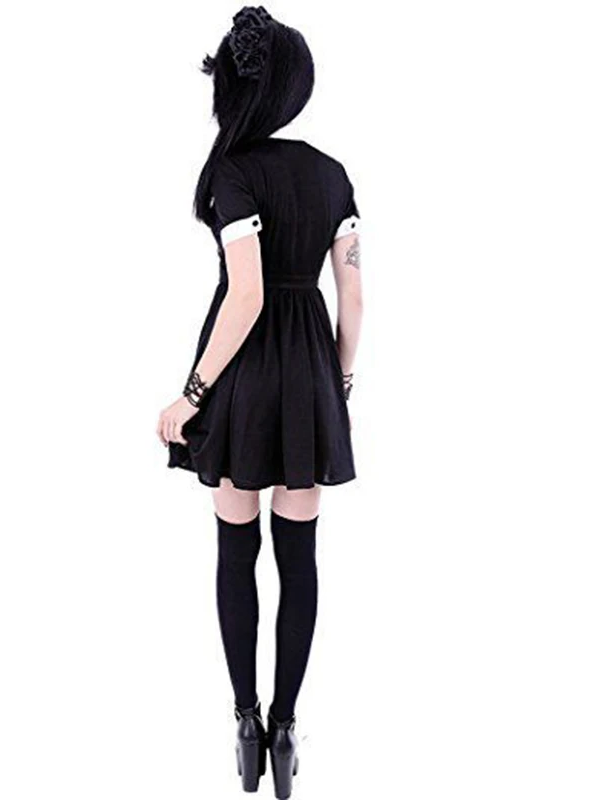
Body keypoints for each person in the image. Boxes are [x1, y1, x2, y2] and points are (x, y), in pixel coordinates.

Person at [156, 6, 362, 797]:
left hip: (242, 380)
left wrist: (191, 394)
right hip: (309, 373)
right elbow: (354, 296)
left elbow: (244, 296)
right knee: (300, 559)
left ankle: (244, 720)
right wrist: (338, 384)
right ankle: (285, 725)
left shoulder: (232, 172)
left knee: (235, 552)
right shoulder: (332, 174)